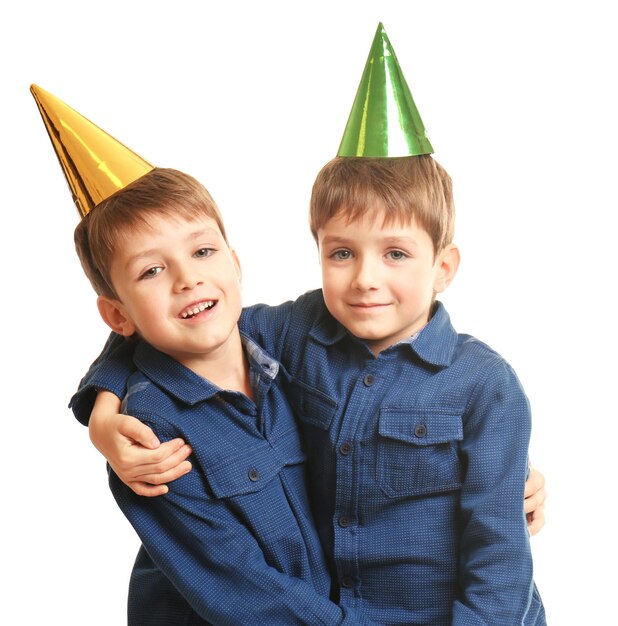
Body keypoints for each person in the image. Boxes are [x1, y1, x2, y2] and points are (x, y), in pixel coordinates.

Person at [68, 23, 548, 624]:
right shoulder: (292, 334)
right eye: (342, 254)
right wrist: (102, 409)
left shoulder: (486, 385)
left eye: (396, 254)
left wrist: (505, 482)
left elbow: (498, 560)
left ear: (444, 266)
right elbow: (168, 336)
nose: (365, 278)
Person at [32, 84, 372, 625]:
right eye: (152, 270)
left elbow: (404, 382)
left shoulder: (285, 336)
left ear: (235, 263)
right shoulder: (151, 435)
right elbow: (240, 589)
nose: (188, 278)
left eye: (202, 251)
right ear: (118, 316)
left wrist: (491, 466)